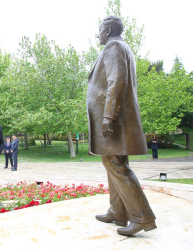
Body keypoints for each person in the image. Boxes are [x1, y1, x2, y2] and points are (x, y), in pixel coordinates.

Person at [87, 16, 156, 236]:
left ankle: (142, 217)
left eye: (99, 30)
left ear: (107, 30)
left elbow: (117, 81)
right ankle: (118, 211)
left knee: (116, 164)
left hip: (114, 121)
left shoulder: (114, 45)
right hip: (115, 119)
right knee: (112, 162)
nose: (98, 35)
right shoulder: (119, 46)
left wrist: (109, 116)